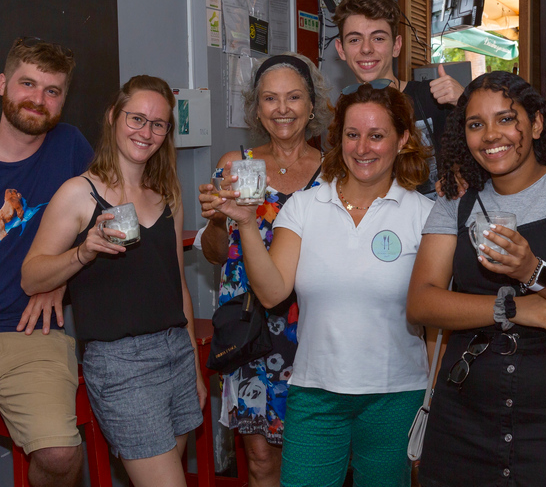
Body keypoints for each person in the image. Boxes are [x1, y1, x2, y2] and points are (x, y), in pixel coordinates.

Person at [204, 83, 434, 486]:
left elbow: (436, 320)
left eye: (376, 135)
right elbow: (273, 291)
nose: (362, 148)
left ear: (402, 140)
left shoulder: (425, 215)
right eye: (351, 134)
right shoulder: (305, 207)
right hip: (315, 393)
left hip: (396, 394)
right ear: (337, 139)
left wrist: (434, 397)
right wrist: (244, 221)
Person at [407, 71, 546, 487]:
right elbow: (421, 302)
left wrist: (533, 271)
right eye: (476, 124)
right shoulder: (455, 202)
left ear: (537, 124)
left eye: (507, 119)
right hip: (465, 408)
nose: (491, 135)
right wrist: (510, 308)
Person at [21, 75, 205, 487]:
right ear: (112, 117)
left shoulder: (166, 192)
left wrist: (192, 361)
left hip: (175, 351)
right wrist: (83, 252)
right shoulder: (79, 193)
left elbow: (178, 285)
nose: (147, 131)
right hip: (122, 364)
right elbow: (32, 276)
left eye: (158, 124)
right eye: (137, 118)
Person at [197, 52, 331, 487]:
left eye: (294, 97)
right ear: (257, 108)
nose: (283, 108)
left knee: (315, 454)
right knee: (259, 461)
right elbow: (217, 254)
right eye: (270, 99)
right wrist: (220, 218)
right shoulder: (234, 166)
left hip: (315, 325)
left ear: (312, 104)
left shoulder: (335, 172)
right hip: (250, 326)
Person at [0, 36, 92, 487]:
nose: (38, 100)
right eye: (27, 84)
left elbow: (111, 224)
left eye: (52, 91)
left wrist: (62, 277)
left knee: (60, 456)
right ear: (2, 83)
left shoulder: (71, 147)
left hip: (27, 335)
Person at [333, 0, 464, 197]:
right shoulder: (344, 111)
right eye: (355, 40)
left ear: (397, 46)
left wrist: (466, 102)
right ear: (341, 49)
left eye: (378, 38)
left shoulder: (433, 98)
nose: (366, 49)